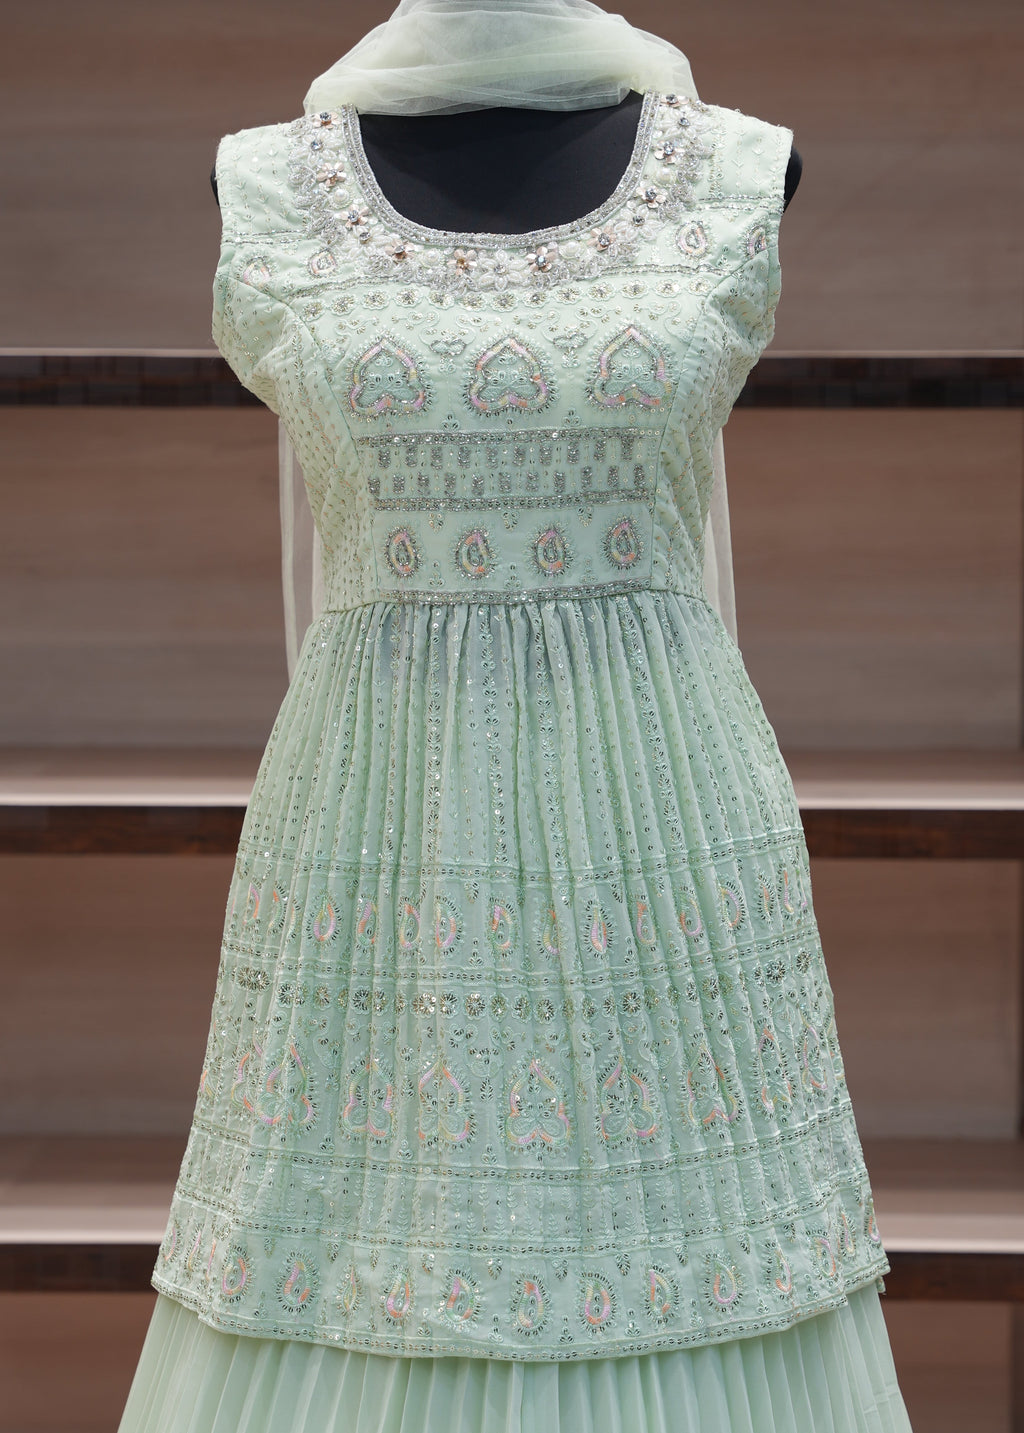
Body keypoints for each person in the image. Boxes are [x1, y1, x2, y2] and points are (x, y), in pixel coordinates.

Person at [118, 3, 915, 1429]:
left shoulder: (730, 169)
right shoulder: (273, 186)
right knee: (363, 1242)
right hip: (383, 825)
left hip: (661, 826)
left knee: (694, 1255)